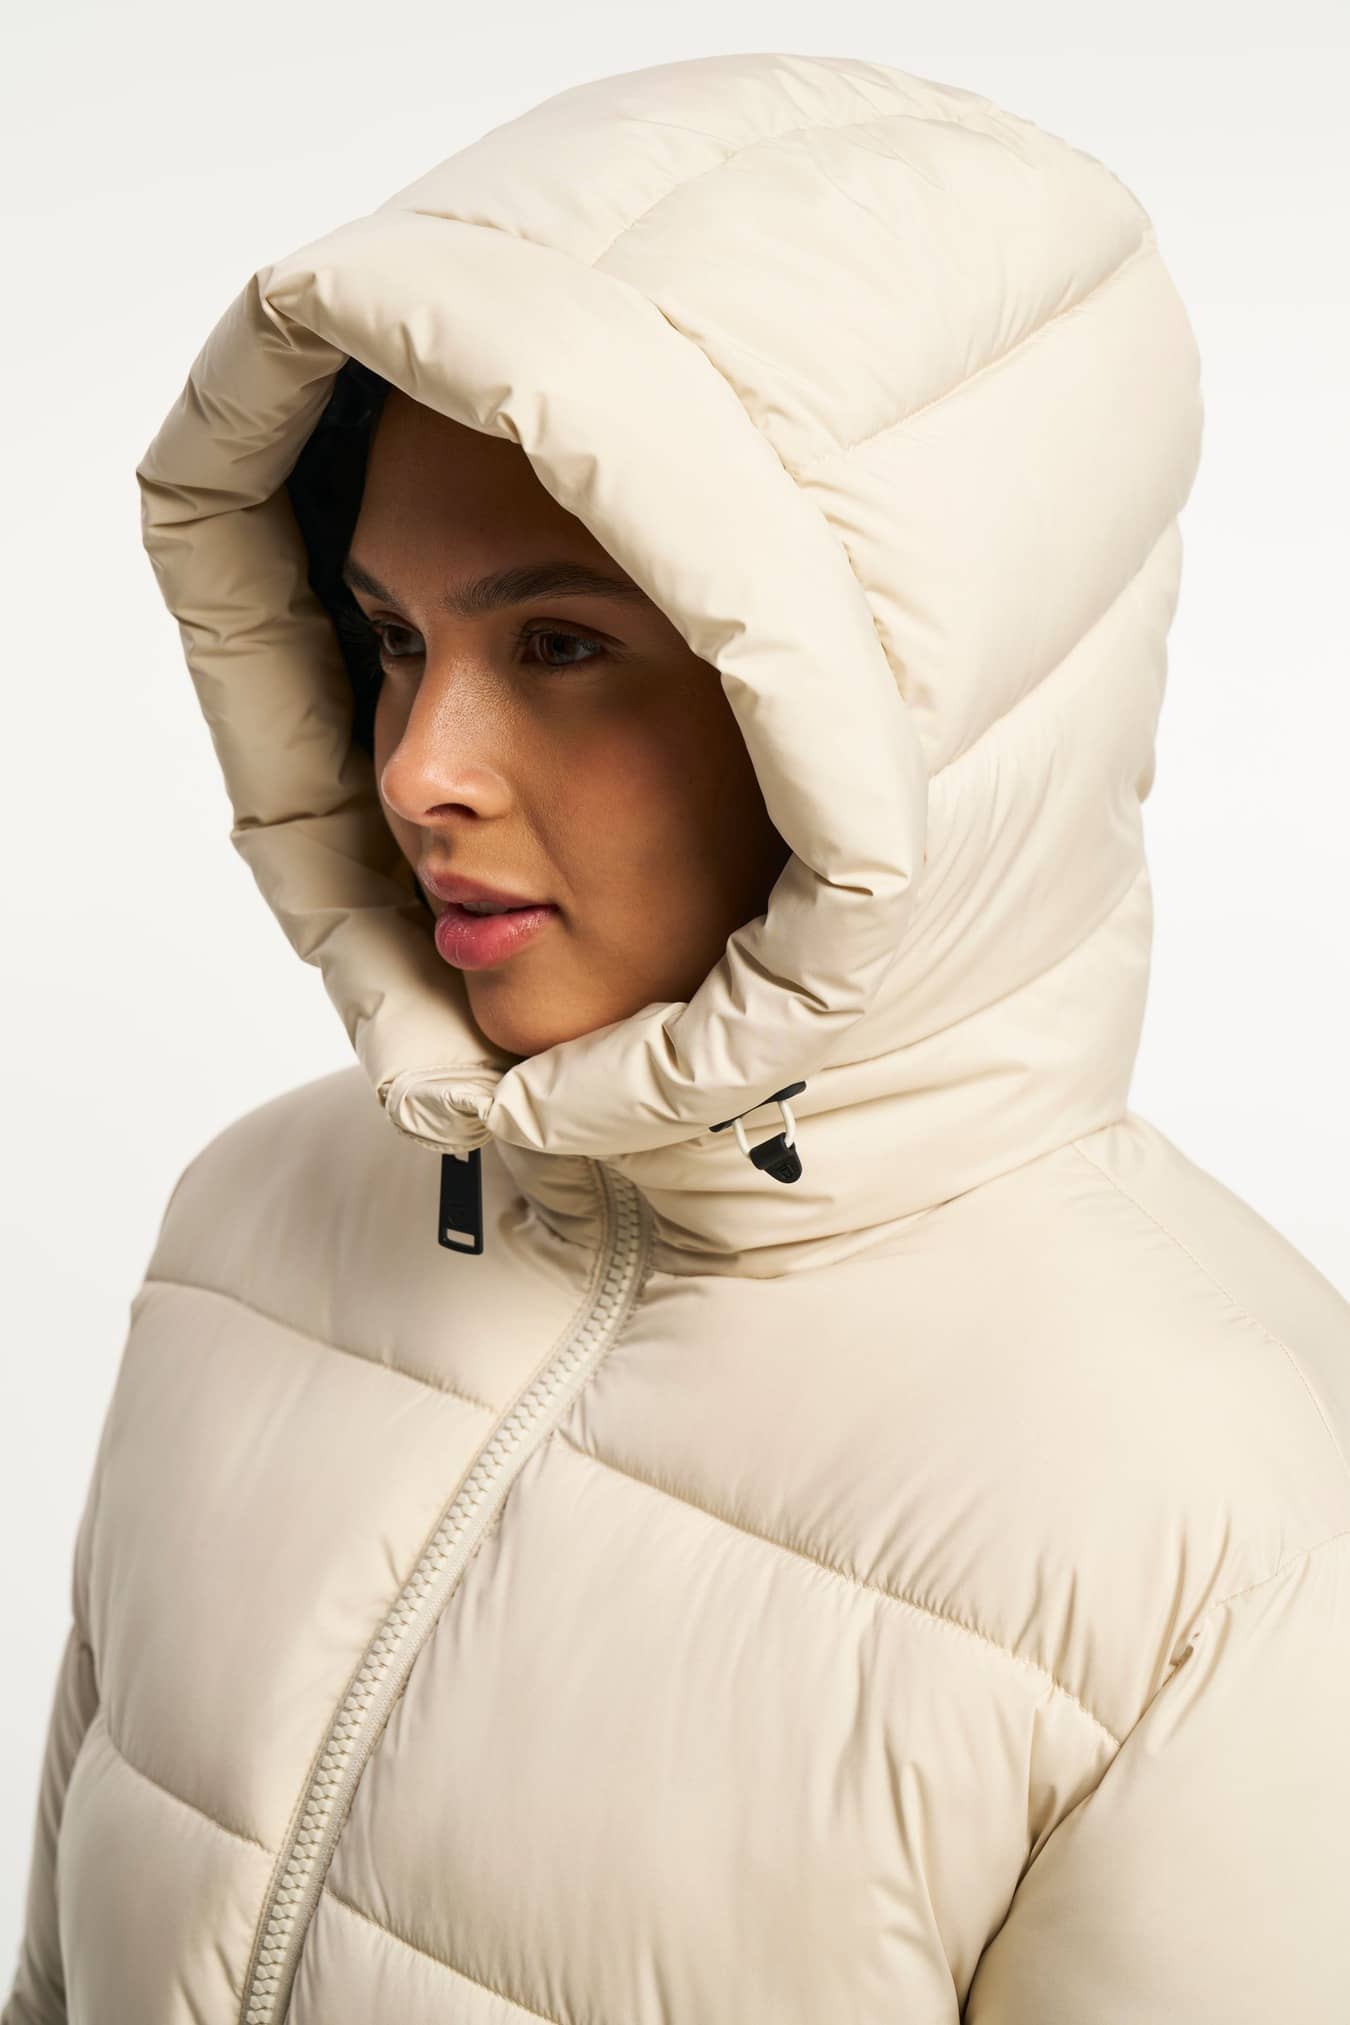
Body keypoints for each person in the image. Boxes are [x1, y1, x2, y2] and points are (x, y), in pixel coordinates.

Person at [6, 49, 1348, 2025]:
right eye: (393, 639)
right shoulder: (257, 1217)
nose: (420, 768)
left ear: (908, 723)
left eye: (562, 646)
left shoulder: (1220, 1516)